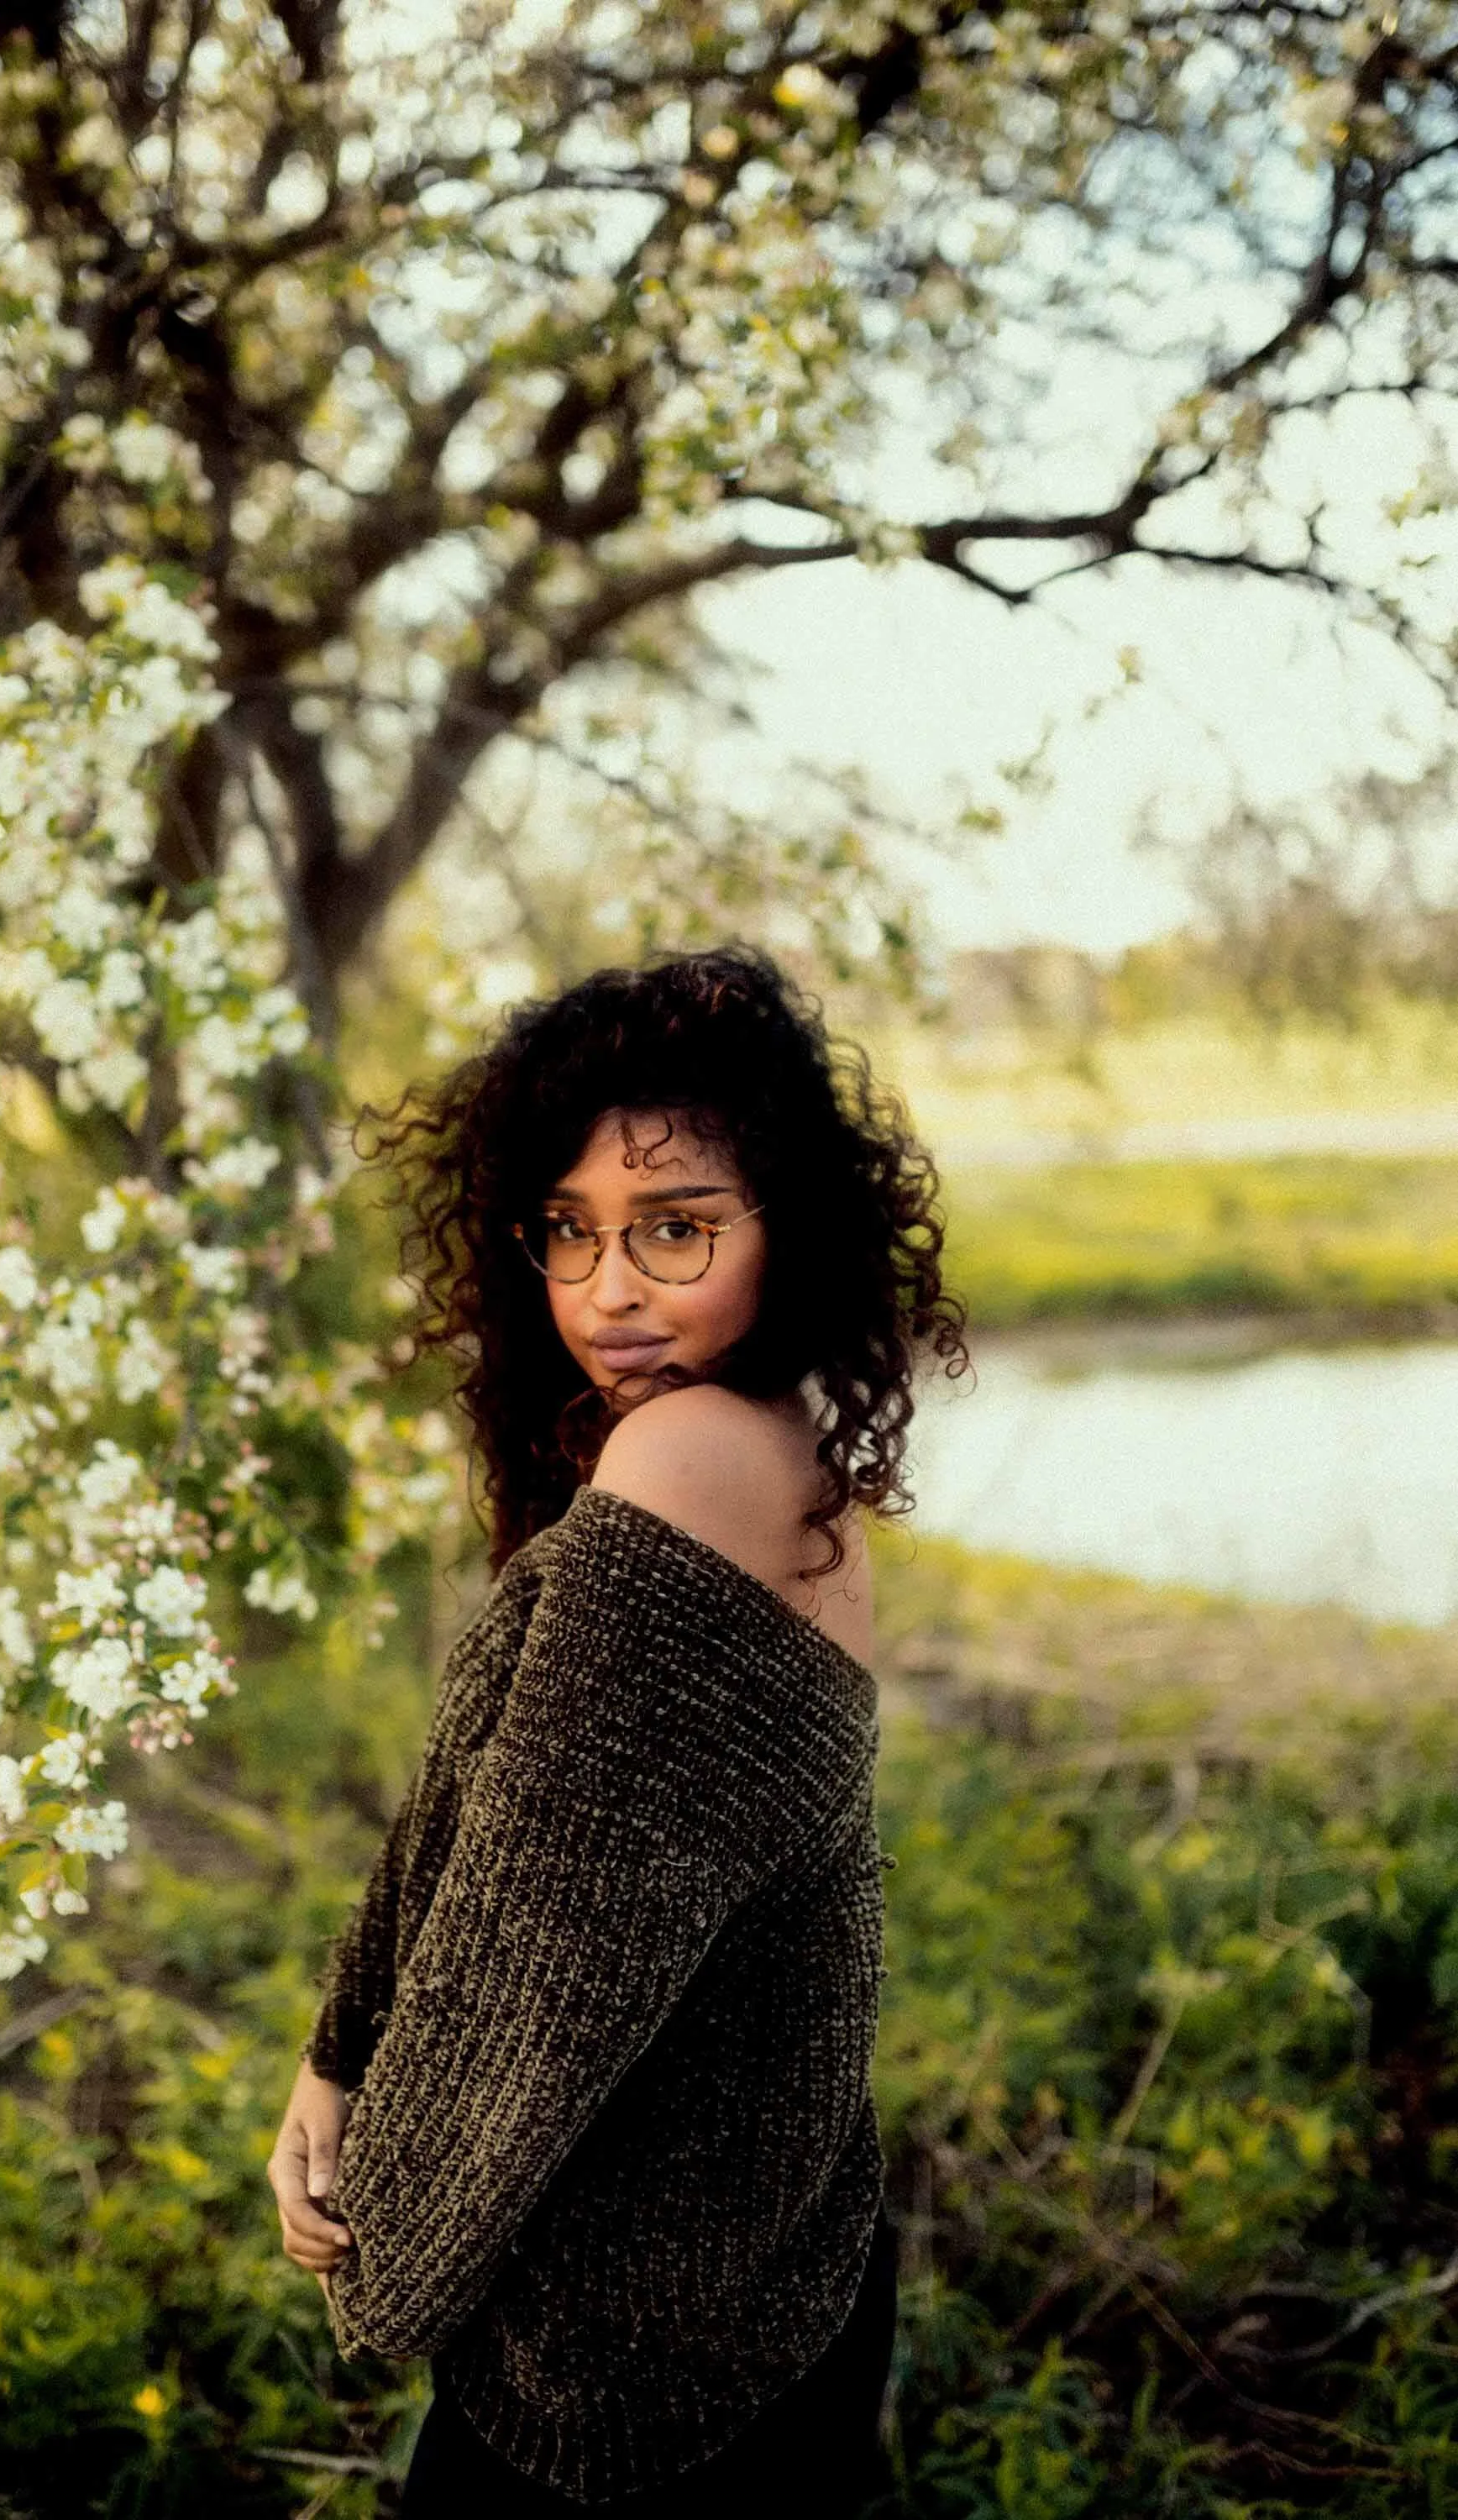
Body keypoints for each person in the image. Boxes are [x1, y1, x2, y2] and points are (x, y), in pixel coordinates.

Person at [266, 946, 965, 2514]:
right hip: (746, 2276)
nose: (609, 1291)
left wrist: (390, 2235)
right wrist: (341, 2051)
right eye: (569, 1235)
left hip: (653, 2350)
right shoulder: (763, 1450)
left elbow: (540, 1940)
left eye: (677, 1229)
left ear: (794, 1234)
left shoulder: (697, 1459)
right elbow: (486, 1800)